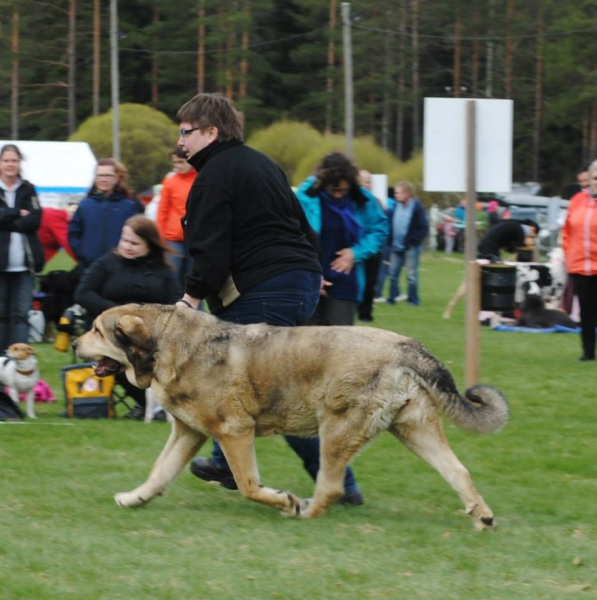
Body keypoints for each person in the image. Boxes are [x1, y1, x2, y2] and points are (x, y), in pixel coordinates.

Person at [173, 92, 362, 504]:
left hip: (266, 287)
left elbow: (211, 246)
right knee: (276, 389)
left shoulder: (215, 175)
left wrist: (189, 299)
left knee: (257, 388)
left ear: (211, 131)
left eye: (186, 133)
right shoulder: (262, 163)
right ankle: (338, 484)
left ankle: (232, 462)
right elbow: (301, 222)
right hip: (297, 282)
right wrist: (311, 272)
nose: (180, 143)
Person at [75, 215, 181, 419]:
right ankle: (147, 403)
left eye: (134, 243)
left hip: (150, 333)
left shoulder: (165, 271)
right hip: (111, 333)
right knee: (121, 353)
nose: (127, 246)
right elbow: (83, 293)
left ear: (149, 245)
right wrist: (116, 314)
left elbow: (175, 305)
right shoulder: (107, 263)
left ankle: (160, 403)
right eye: (124, 240)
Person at [295, 155, 388, 326]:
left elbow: (379, 230)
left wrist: (355, 253)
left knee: (341, 345)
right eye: (333, 190)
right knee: (307, 346)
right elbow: (291, 236)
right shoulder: (304, 198)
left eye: (343, 190)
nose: (338, 194)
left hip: (345, 282)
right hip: (308, 280)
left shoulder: (363, 199)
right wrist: (310, 276)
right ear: (323, 183)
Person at [0, 144, 45, 352]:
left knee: (20, 314)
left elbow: (35, 220)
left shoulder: (28, 189)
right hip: (1, 265)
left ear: (19, 163)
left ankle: (18, 360)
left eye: (14, 161)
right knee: (1, 314)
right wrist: (18, 212)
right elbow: (22, 217)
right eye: (7, 160)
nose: (10, 164)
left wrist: (7, 219)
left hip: (25, 266)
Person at [68, 158, 142, 270]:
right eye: (100, 175)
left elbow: (138, 236)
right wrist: (83, 254)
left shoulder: (129, 207)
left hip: (120, 268)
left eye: (108, 175)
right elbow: (73, 233)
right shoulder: (85, 205)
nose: (103, 179)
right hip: (89, 267)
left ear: (117, 178)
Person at [562, 159, 597, 361]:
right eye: (594, 177)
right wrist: (570, 256)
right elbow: (566, 232)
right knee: (586, 313)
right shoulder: (576, 201)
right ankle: (588, 353)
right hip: (581, 267)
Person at [156, 147, 196, 287]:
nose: (178, 166)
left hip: (195, 238)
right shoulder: (170, 182)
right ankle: (170, 308)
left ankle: (195, 308)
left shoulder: (200, 179)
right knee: (172, 279)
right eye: (174, 162)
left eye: (181, 162)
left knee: (195, 280)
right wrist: (160, 238)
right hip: (173, 239)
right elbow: (162, 211)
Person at [386, 181, 428, 306]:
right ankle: (392, 298)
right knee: (393, 274)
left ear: (407, 194)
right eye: (395, 193)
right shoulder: (394, 207)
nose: (396, 195)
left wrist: (413, 242)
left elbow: (423, 227)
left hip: (410, 247)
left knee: (411, 275)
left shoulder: (417, 208)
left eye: (399, 193)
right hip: (395, 245)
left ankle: (413, 300)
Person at [354, 169, 386, 322]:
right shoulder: (350, 201)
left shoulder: (375, 201)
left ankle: (366, 312)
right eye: (365, 181)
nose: (368, 184)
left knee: (371, 282)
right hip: (355, 249)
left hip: (372, 250)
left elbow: (381, 225)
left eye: (370, 182)